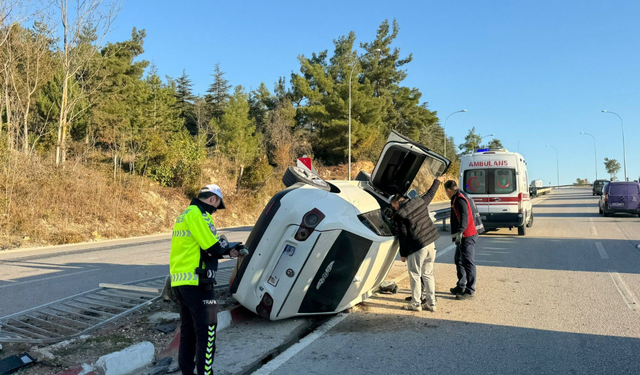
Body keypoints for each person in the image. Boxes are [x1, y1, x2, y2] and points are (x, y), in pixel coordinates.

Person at [170, 184, 246, 375]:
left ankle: (188, 372)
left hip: (182, 282)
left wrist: (229, 250)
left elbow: (204, 249)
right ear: (213, 199)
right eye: (217, 206)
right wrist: (228, 245)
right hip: (199, 282)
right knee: (207, 331)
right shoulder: (197, 214)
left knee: (188, 332)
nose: (215, 212)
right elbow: (212, 246)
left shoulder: (184, 214)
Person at [391, 176, 445, 312]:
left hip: (417, 247)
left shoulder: (400, 215)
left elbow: (403, 235)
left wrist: (402, 254)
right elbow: (430, 193)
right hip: (430, 244)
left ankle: (416, 304)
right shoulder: (419, 202)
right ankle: (432, 304)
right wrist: (437, 181)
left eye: (393, 206)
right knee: (428, 274)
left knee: (415, 275)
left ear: (397, 202)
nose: (394, 209)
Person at [444, 180, 479, 300]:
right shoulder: (462, 194)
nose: (446, 194)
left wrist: (460, 232)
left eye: (446, 192)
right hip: (465, 234)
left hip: (467, 235)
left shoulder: (459, 199)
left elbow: (464, 217)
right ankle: (461, 285)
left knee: (468, 262)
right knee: (459, 260)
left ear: (448, 190)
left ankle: (469, 290)